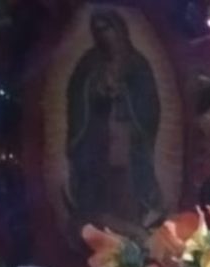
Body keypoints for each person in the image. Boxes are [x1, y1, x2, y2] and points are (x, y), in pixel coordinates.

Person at [63, 9, 164, 238]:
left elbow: (149, 105)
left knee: (126, 185)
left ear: (119, 29)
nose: (103, 35)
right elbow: (76, 95)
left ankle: (134, 229)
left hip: (127, 137)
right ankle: (95, 224)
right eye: (97, 30)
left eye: (107, 28)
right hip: (97, 137)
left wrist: (124, 94)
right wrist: (95, 89)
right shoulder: (89, 62)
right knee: (97, 184)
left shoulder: (137, 64)